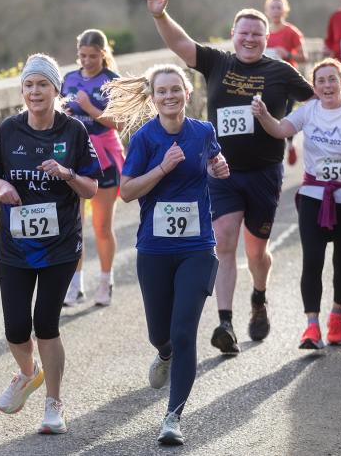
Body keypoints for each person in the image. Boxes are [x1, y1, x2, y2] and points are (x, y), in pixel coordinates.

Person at [143, 0, 315, 355]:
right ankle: (225, 323)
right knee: (223, 243)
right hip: (221, 170)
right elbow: (181, 45)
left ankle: (259, 296)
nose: (250, 38)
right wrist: (159, 15)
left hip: (265, 173)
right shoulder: (217, 62)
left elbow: (319, 102)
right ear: (233, 36)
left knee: (257, 253)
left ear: (267, 38)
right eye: (244, 32)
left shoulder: (281, 72)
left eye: (257, 33)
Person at [102, 64, 229, 445]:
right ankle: (164, 354)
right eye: (163, 92)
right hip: (155, 250)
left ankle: (173, 416)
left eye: (176, 90)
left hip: (196, 247)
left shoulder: (204, 132)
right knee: (161, 334)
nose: (170, 96)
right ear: (153, 97)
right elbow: (126, 192)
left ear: (188, 94)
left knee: (184, 330)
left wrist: (219, 168)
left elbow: (216, 162)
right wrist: (162, 167)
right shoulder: (145, 138)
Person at [0, 54, 101, 435]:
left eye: (42, 85)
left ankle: (53, 403)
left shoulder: (73, 132)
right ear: (22, 91)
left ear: (56, 90)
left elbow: (92, 187)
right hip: (15, 245)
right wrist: (2, 187)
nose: (35, 92)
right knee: (16, 328)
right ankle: (27, 372)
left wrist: (67, 174)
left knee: (45, 325)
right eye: (29, 85)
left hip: (60, 245)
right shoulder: (9, 130)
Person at [249, 59, 341, 349]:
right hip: (315, 195)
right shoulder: (308, 111)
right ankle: (311, 327)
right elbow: (279, 130)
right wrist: (264, 115)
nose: (327, 86)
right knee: (312, 261)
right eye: (321, 81)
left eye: (332, 79)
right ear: (314, 87)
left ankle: (337, 315)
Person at [60, 29, 123, 307]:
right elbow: (60, 113)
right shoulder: (69, 79)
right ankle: (76, 285)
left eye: (93, 56)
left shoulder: (112, 81)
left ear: (103, 53)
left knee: (101, 225)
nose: (87, 61)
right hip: (75, 154)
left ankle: (106, 281)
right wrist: (68, 114)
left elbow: (121, 123)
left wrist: (90, 108)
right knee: (75, 226)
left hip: (104, 153)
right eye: (82, 56)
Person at [264, 0, 308, 165]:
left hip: (287, 81)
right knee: (269, 115)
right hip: (266, 80)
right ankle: (273, 153)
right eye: (272, 7)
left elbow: (304, 57)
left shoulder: (291, 32)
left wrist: (288, 54)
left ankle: (289, 144)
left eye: (279, 7)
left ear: (285, 11)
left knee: (286, 116)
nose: (275, 11)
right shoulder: (262, 32)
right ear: (267, 11)